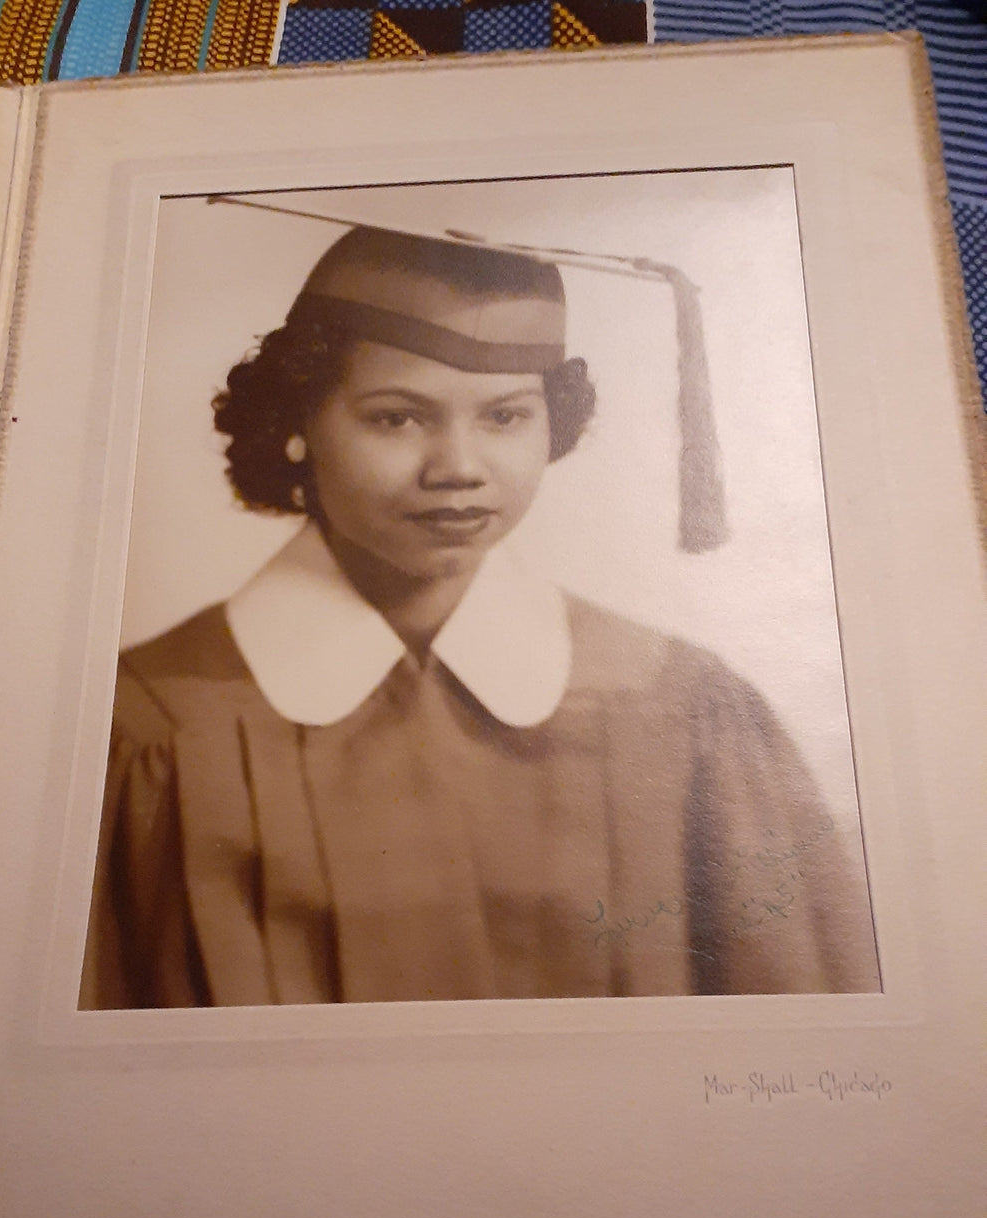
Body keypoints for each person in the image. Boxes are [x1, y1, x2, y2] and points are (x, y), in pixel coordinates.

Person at [79, 222, 880, 1008]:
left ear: (552, 426)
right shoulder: (147, 728)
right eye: (396, 417)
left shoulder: (683, 705)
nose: (459, 469)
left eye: (505, 416)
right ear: (296, 426)